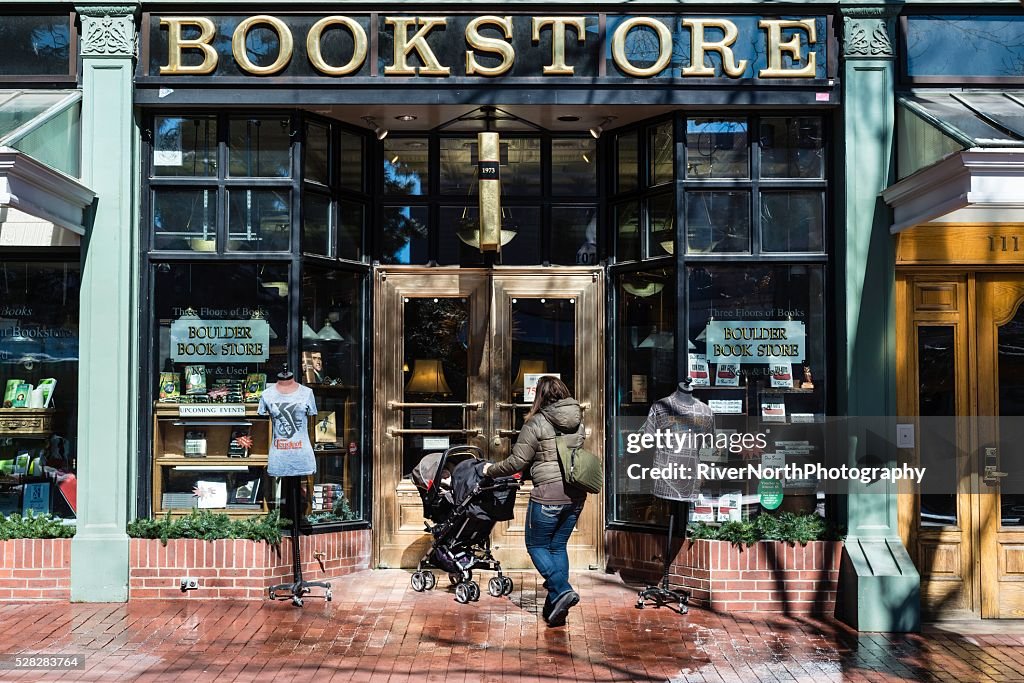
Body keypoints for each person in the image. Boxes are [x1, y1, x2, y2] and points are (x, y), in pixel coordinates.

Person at [483, 376, 586, 627]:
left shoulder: (537, 423)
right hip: (575, 494)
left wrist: (489, 470)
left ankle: (562, 590)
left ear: (538, 395)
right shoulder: (577, 422)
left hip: (548, 494)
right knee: (557, 547)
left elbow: (517, 462)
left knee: (536, 545)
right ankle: (555, 608)